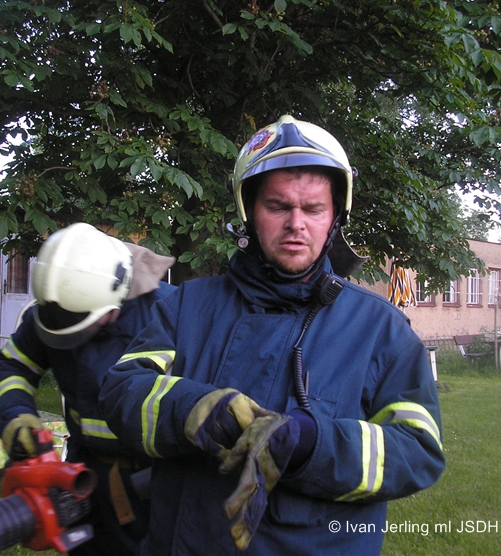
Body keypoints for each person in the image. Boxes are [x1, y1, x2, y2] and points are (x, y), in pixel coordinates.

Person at [99, 115, 445, 555]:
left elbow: (417, 450)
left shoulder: (380, 329)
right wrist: (189, 408)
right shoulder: (186, 306)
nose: (296, 223)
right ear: (249, 213)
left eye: (313, 209)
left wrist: (311, 443)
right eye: (278, 206)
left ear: (334, 217)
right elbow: (121, 392)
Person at [0, 222, 175, 556]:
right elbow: (15, 365)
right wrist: (16, 416)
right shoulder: (58, 305)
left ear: (114, 305)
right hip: (82, 471)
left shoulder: (169, 314)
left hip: (152, 482)